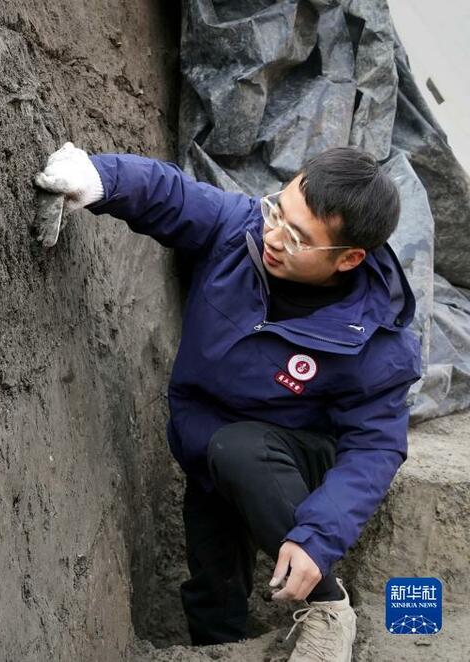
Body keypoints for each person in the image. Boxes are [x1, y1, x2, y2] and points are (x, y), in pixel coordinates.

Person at [34, 143, 422, 661]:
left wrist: (317, 538)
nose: (273, 236)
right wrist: (98, 177)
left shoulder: (375, 343)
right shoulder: (238, 232)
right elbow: (170, 194)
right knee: (211, 587)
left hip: (297, 462)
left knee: (242, 450)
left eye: (298, 237)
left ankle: (328, 608)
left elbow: (375, 448)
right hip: (207, 445)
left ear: (349, 258)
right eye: (277, 211)